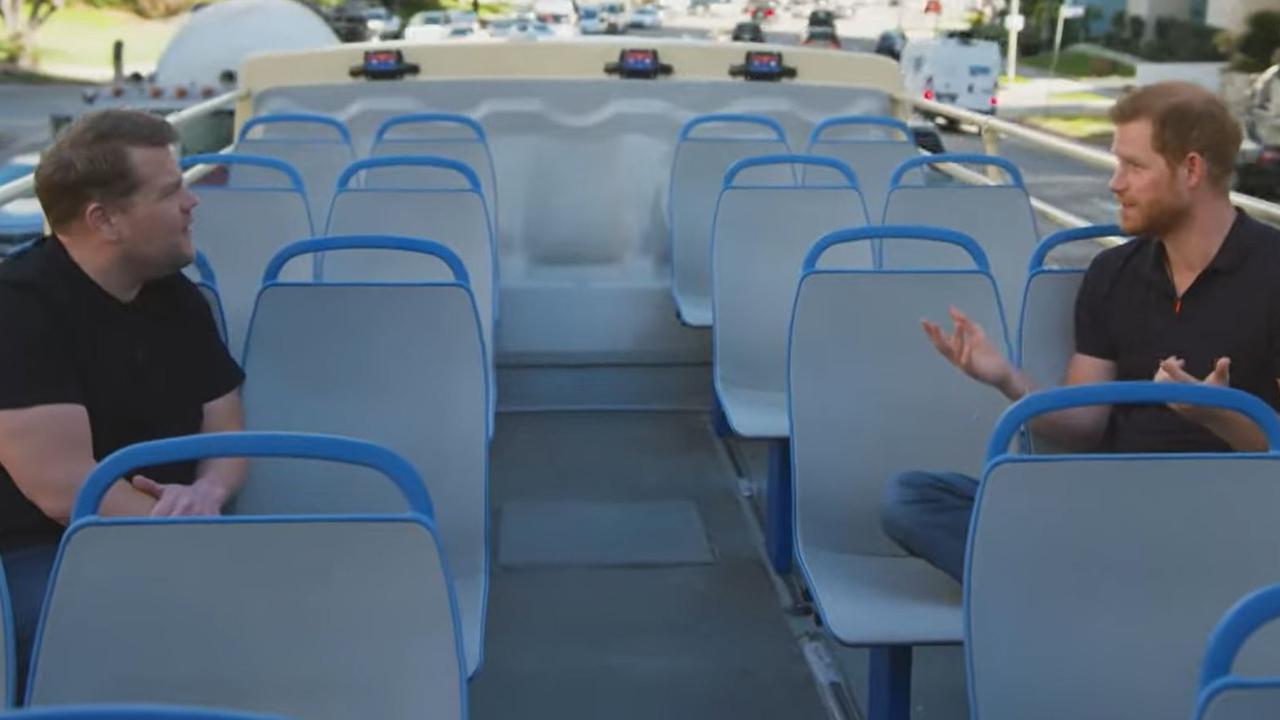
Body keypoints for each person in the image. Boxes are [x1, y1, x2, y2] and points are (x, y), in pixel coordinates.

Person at [880, 81, 1280, 583]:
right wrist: (1006, 378)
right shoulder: (1112, 273)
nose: (1115, 183)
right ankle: (1102, 586)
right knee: (911, 498)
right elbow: (1085, 424)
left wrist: (1218, 418)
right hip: (1107, 508)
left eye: (1134, 167)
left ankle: (1078, 589)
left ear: (1191, 170)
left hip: (1226, 524)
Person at [0, 109, 245, 699]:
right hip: (44, 555)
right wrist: (186, 534)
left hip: (170, 539)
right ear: (104, 220)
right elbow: (63, 491)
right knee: (220, 624)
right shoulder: (19, 310)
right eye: (171, 190)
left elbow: (228, 429)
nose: (193, 202)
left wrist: (208, 493)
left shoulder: (174, 296)